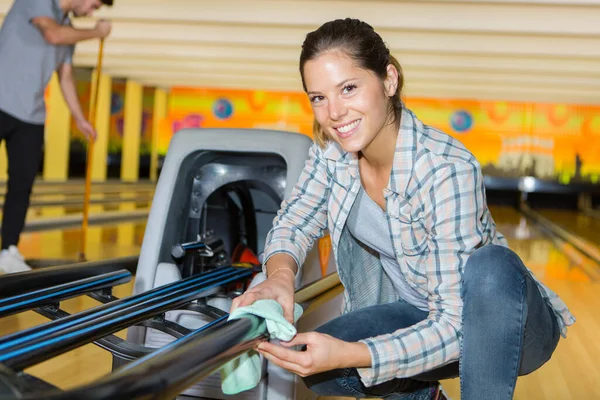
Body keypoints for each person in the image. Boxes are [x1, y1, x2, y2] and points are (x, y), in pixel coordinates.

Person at [231, 18, 575, 400]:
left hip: (509, 325)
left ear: (389, 80)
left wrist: (356, 354)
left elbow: (457, 324)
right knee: (317, 361)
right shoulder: (331, 158)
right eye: (318, 97)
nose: (334, 112)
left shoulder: (446, 169)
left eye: (348, 88)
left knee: (490, 266)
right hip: (423, 313)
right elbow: (294, 221)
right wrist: (279, 276)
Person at [0, 0, 112, 273]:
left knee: (22, 186)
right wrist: (96, 32)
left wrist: (79, 117)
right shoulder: (36, 2)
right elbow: (51, 34)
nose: (91, 12)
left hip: (32, 116)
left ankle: (7, 250)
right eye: (94, 5)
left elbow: (65, 76)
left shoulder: (69, 30)